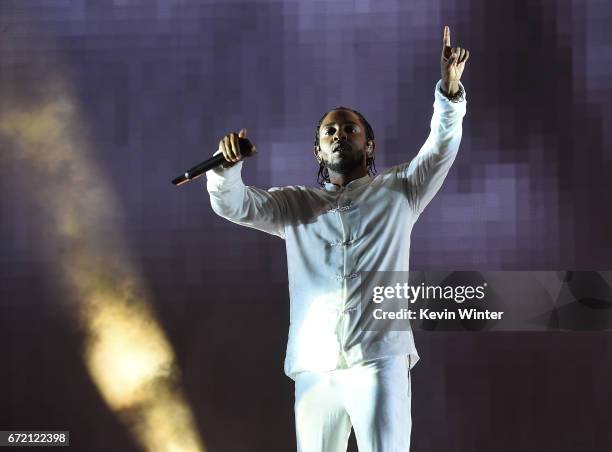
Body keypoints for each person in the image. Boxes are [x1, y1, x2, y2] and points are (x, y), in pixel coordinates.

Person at [206, 26, 469, 452]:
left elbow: (441, 146)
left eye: (350, 130)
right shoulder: (295, 205)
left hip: (379, 357)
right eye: (330, 132)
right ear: (317, 152)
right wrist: (226, 168)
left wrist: (450, 92)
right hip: (315, 363)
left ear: (369, 146)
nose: (339, 135)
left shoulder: (401, 189)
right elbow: (234, 205)